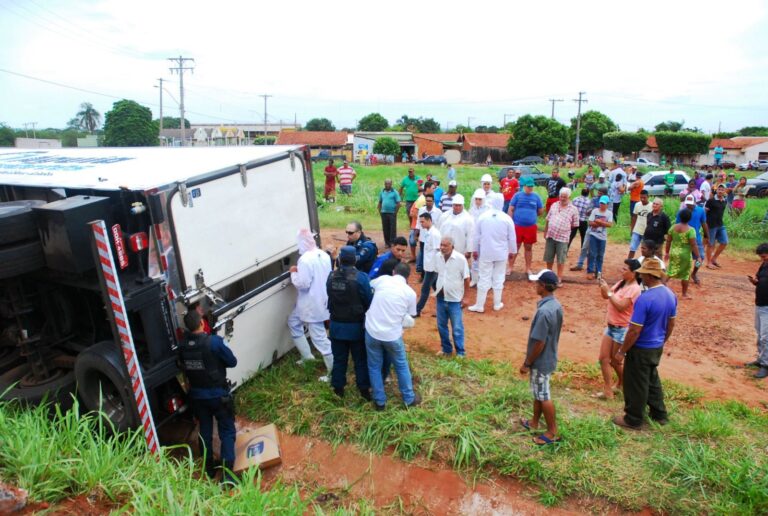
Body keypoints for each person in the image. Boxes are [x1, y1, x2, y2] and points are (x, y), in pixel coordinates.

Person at [611, 258, 676, 430]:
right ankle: (659, 414)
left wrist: (622, 351)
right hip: (656, 346)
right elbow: (671, 323)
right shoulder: (670, 295)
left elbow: (634, 330)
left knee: (636, 383)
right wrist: (662, 340)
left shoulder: (645, 298)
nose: (641, 276)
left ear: (649, 276)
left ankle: (633, 418)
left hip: (641, 347)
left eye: (643, 274)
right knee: (652, 380)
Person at [180, 309, 237, 482]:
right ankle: (228, 476)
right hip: (218, 396)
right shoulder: (213, 342)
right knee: (226, 431)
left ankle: (209, 469)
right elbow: (232, 362)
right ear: (202, 323)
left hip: (197, 397)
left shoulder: (182, 346)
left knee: (205, 431)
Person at [365, 262, 421, 410]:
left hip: (372, 331)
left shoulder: (383, 280)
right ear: (407, 277)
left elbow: (369, 285)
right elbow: (411, 315)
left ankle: (379, 401)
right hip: (392, 335)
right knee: (401, 365)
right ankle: (409, 398)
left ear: (394, 272)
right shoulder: (410, 293)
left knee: (374, 366)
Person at [519, 269, 563, 445]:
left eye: (537, 283)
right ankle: (534, 422)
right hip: (549, 356)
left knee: (544, 395)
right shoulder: (555, 305)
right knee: (538, 392)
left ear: (543, 286)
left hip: (541, 360)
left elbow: (539, 342)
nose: (535, 286)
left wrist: (527, 363)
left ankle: (552, 432)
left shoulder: (544, 312)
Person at [327, 246, 374, 400]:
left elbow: (329, 295)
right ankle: (364, 390)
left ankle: (338, 389)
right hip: (356, 328)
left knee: (339, 359)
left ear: (340, 259)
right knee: (360, 360)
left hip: (336, 326)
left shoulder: (331, 276)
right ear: (355, 260)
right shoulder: (361, 278)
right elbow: (369, 300)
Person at [288, 229, 334, 379]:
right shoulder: (323, 254)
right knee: (293, 322)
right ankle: (307, 356)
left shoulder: (305, 260)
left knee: (320, 339)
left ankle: (333, 373)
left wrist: (293, 273)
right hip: (323, 300)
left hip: (311, 304)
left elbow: (303, 284)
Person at [594, 260, 642, 400]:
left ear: (634, 273)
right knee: (603, 359)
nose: (622, 271)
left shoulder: (635, 289)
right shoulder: (621, 283)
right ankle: (608, 390)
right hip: (611, 326)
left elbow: (621, 306)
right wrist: (604, 288)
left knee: (615, 362)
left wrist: (609, 292)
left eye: (625, 269)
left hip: (622, 329)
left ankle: (623, 383)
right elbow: (606, 296)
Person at [468, 201, 517, 313]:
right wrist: (512, 251)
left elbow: (476, 236)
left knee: (483, 277)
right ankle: (497, 304)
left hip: (486, 253)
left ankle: (480, 305)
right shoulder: (507, 218)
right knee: (499, 277)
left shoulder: (483, 217)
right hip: (501, 253)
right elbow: (512, 237)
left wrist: (475, 250)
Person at [434, 236, 470, 357]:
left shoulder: (460, 259)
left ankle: (460, 352)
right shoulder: (437, 257)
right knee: (441, 325)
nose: (442, 247)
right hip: (441, 297)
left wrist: (466, 297)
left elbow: (466, 279)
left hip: (455, 299)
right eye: (441, 245)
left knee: (457, 327)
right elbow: (437, 274)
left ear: (452, 246)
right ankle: (446, 349)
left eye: (445, 245)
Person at [508, 177, 543, 275]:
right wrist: (510, 222)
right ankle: (510, 267)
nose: (530, 188)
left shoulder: (536, 197)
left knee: (528, 247)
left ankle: (528, 268)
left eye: (531, 186)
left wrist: (531, 215)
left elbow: (540, 211)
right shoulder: (517, 196)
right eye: (528, 186)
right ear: (524, 186)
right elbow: (511, 209)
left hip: (530, 227)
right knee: (515, 247)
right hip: (517, 225)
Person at [543, 187, 579, 282]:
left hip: (563, 238)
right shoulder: (554, 205)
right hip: (551, 235)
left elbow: (574, 225)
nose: (562, 198)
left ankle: (559, 277)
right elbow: (548, 218)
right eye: (561, 196)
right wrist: (545, 231)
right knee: (549, 257)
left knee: (561, 259)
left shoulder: (574, 209)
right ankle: (549, 275)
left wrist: (564, 228)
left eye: (565, 197)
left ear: (569, 197)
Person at [664, 207, 700, 300]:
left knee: (670, 271)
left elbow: (668, 241)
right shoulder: (691, 230)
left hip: (674, 253)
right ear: (690, 218)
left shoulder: (673, 227)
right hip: (685, 255)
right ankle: (684, 294)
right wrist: (698, 256)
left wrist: (667, 252)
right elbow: (693, 244)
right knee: (685, 274)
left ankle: (659, 288)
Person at [675, 196, 708, 286]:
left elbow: (704, 223)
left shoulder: (700, 211)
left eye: (690, 204)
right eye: (687, 204)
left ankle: (694, 273)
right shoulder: (681, 212)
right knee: (684, 258)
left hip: (696, 238)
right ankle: (684, 274)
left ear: (695, 202)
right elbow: (677, 225)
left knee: (700, 257)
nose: (689, 206)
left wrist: (706, 235)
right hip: (684, 239)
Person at [747, 243, 768, 379]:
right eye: (761, 257)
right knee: (760, 334)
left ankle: (766, 365)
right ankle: (760, 360)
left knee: (766, 337)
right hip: (760, 304)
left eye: (764, 256)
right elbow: (759, 279)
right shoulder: (764, 265)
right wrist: (755, 281)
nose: (763, 259)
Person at [415, 212, 442, 316]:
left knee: (425, 288)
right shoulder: (428, 232)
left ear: (429, 220)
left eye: (422, 222)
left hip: (433, 267)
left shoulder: (434, 234)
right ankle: (442, 310)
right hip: (429, 266)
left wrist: (437, 267)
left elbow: (438, 251)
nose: (421, 224)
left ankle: (417, 310)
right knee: (437, 289)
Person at [438, 194, 473, 259]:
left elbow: (470, 236)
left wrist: (469, 251)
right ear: (452, 205)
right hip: (444, 248)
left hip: (459, 249)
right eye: (456, 205)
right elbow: (438, 230)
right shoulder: (445, 216)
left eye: (459, 205)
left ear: (463, 205)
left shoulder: (468, 218)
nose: (457, 207)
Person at [587, 196, 614, 279]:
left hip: (602, 237)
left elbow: (610, 224)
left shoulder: (609, 213)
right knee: (592, 254)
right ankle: (590, 271)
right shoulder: (595, 211)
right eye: (601, 203)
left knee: (600, 255)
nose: (601, 205)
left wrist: (599, 221)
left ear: (607, 204)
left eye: (603, 204)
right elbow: (590, 222)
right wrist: (602, 223)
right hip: (593, 234)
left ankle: (598, 272)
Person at [704, 184, 728, 269]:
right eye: (719, 189)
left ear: (724, 191)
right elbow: (705, 212)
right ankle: (708, 262)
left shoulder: (724, 201)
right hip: (711, 225)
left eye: (722, 189)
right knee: (710, 244)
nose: (720, 191)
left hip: (720, 224)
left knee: (724, 242)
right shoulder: (711, 200)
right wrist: (705, 224)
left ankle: (714, 259)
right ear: (716, 190)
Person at [628, 190, 652, 259]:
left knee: (645, 249)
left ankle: (645, 262)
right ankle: (629, 262)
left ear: (648, 197)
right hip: (637, 230)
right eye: (641, 197)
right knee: (632, 247)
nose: (642, 199)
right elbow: (634, 217)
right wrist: (632, 229)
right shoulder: (637, 205)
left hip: (646, 231)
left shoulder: (652, 206)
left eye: (644, 198)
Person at [377, 179, 401, 248]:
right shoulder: (382, 192)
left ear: (391, 184)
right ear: (384, 184)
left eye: (389, 184)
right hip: (384, 213)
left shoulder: (395, 192)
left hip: (392, 213)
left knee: (392, 229)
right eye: (386, 184)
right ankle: (387, 243)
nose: (387, 185)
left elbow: (398, 203)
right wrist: (380, 212)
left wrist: (395, 213)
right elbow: (380, 202)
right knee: (385, 228)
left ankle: (392, 243)